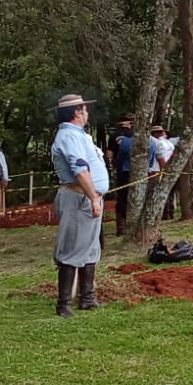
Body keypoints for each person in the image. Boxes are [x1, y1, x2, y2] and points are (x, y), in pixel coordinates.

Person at [50, 94, 108, 316]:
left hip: (87, 197)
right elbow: (80, 169)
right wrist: (93, 197)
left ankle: (87, 297)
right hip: (79, 198)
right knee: (72, 247)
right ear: (77, 112)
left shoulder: (79, 135)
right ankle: (64, 303)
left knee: (90, 248)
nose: (87, 113)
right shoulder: (69, 137)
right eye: (85, 109)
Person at [111, 119, 134, 235]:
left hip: (124, 172)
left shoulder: (120, 139)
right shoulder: (147, 139)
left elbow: (112, 154)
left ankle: (121, 227)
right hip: (139, 173)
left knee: (122, 199)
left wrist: (114, 165)